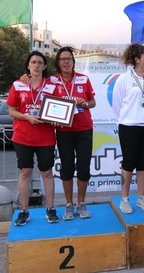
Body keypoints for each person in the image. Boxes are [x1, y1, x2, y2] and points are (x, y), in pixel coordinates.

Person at [7, 51, 59, 226]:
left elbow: (59, 110)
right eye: (33, 62)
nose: (36, 65)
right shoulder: (18, 84)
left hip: (46, 137)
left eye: (40, 62)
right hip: (23, 136)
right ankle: (24, 211)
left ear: (44, 66)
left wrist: (51, 117)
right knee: (25, 172)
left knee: (47, 173)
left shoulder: (52, 85)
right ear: (28, 65)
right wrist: (27, 117)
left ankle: (50, 209)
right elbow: (11, 111)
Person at [112, 43, 144, 214]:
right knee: (128, 163)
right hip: (129, 126)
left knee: (142, 163)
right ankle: (124, 199)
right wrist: (128, 118)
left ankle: (141, 198)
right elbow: (117, 105)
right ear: (137, 59)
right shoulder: (124, 79)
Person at [50, 47, 96, 220]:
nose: (66, 62)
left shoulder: (83, 79)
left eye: (69, 58)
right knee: (67, 167)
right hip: (64, 131)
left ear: (73, 61)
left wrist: (85, 103)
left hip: (84, 129)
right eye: (63, 59)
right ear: (58, 62)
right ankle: (69, 205)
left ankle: (81, 203)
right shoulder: (52, 80)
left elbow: (93, 102)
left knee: (84, 168)